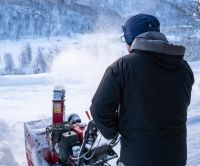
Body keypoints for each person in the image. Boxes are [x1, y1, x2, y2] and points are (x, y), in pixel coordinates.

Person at [90, 13, 194, 166]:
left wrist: (112, 131)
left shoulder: (122, 66)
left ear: (131, 38)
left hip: (138, 158)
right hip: (176, 155)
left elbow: (99, 109)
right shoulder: (183, 66)